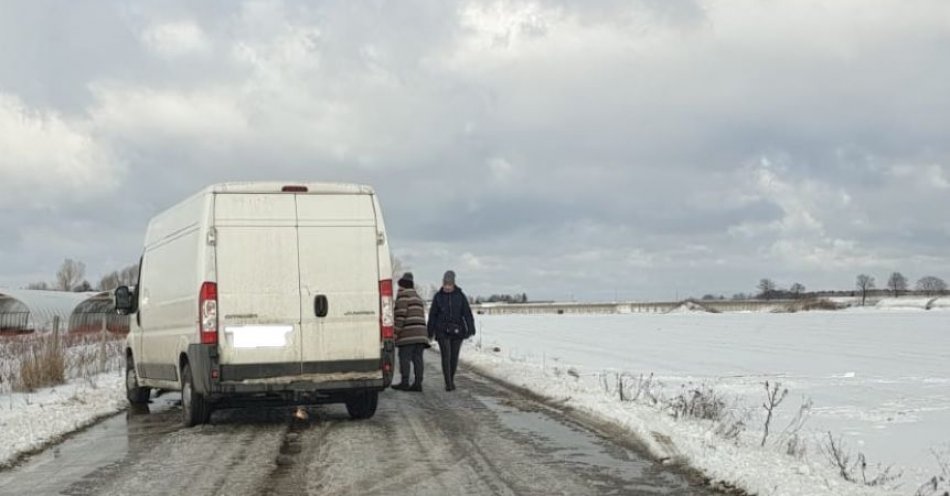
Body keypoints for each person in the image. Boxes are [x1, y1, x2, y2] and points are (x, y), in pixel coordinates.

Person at [427, 270, 476, 391]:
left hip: (457, 331)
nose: (447, 287)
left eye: (449, 284)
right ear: (443, 283)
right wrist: (430, 331)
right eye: (445, 284)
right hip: (442, 330)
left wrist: (471, 328)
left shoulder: (460, 296)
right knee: (446, 356)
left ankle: (451, 379)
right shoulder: (438, 297)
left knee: (454, 357)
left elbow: (467, 313)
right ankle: (448, 383)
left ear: (454, 284)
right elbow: (432, 315)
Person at [392, 272, 429, 392]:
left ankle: (405, 382)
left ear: (402, 285)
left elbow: (400, 316)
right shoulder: (417, 297)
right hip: (421, 334)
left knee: (404, 358)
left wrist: (395, 333)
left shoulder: (403, 296)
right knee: (418, 358)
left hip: (408, 334)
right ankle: (418, 383)